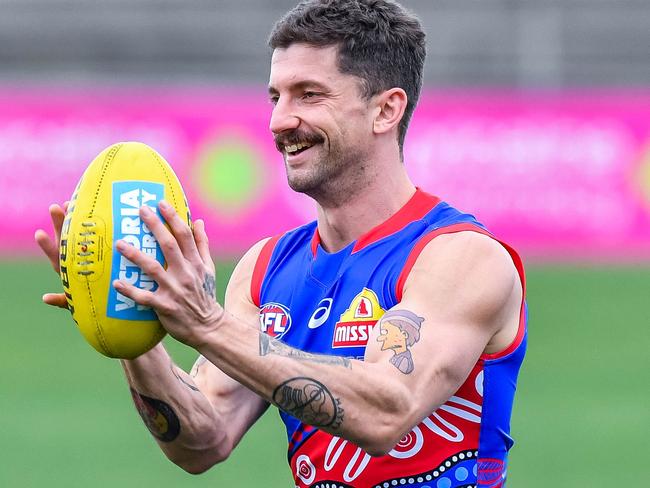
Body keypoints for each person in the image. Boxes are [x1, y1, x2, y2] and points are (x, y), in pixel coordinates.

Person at [35, 1, 527, 486]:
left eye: (309, 95)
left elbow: (386, 411)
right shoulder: (266, 268)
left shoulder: (461, 256)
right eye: (276, 97)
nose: (279, 121)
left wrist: (207, 324)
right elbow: (205, 438)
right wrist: (126, 307)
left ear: (385, 110)